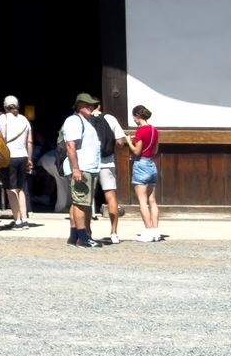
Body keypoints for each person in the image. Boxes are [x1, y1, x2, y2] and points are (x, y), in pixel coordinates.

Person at [58, 91, 118, 248]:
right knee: (81, 203)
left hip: (87, 167)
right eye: (88, 105)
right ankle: (83, 237)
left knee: (79, 202)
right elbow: (70, 146)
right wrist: (76, 168)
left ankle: (74, 236)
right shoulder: (74, 121)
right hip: (81, 168)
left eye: (92, 105)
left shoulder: (86, 121)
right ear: (79, 106)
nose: (92, 107)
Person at [126, 103, 166, 242]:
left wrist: (128, 141)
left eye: (134, 117)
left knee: (142, 201)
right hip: (151, 163)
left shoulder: (140, 130)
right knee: (152, 200)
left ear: (137, 116)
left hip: (141, 163)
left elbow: (136, 151)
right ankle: (156, 231)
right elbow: (155, 150)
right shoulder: (155, 130)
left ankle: (148, 231)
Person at [0, 95, 35, 227]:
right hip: (23, 156)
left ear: (5, 106)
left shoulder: (3, 118)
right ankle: (24, 219)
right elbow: (29, 141)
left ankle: (17, 220)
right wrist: (29, 158)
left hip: (9, 156)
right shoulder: (24, 119)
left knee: (11, 189)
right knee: (20, 188)